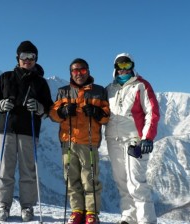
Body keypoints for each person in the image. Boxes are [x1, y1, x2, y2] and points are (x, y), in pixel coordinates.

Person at [0, 40, 53, 222]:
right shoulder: (5, 77)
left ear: (36, 59)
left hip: (29, 130)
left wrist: (39, 107)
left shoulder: (40, 83)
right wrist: (0, 105)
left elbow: (49, 107)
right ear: (17, 58)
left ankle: (27, 206)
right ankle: (2, 206)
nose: (27, 60)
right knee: (5, 169)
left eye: (31, 57)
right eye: (24, 56)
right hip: (7, 128)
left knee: (28, 170)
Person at [49, 58, 110, 224]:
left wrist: (97, 112)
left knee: (90, 179)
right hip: (68, 142)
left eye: (82, 70)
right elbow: (53, 114)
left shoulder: (99, 91)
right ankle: (77, 211)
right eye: (75, 71)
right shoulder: (64, 92)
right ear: (71, 73)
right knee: (71, 178)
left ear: (88, 71)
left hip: (89, 142)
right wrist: (62, 112)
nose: (79, 74)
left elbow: (106, 117)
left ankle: (91, 212)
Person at [105, 53, 160, 224]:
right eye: (120, 66)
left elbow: (153, 111)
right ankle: (128, 218)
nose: (123, 69)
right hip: (113, 139)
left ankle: (146, 220)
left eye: (126, 65)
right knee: (121, 182)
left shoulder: (141, 86)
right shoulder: (109, 89)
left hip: (134, 140)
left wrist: (147, 138)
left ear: (132, 66)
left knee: (136, 182)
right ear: (115, 68)